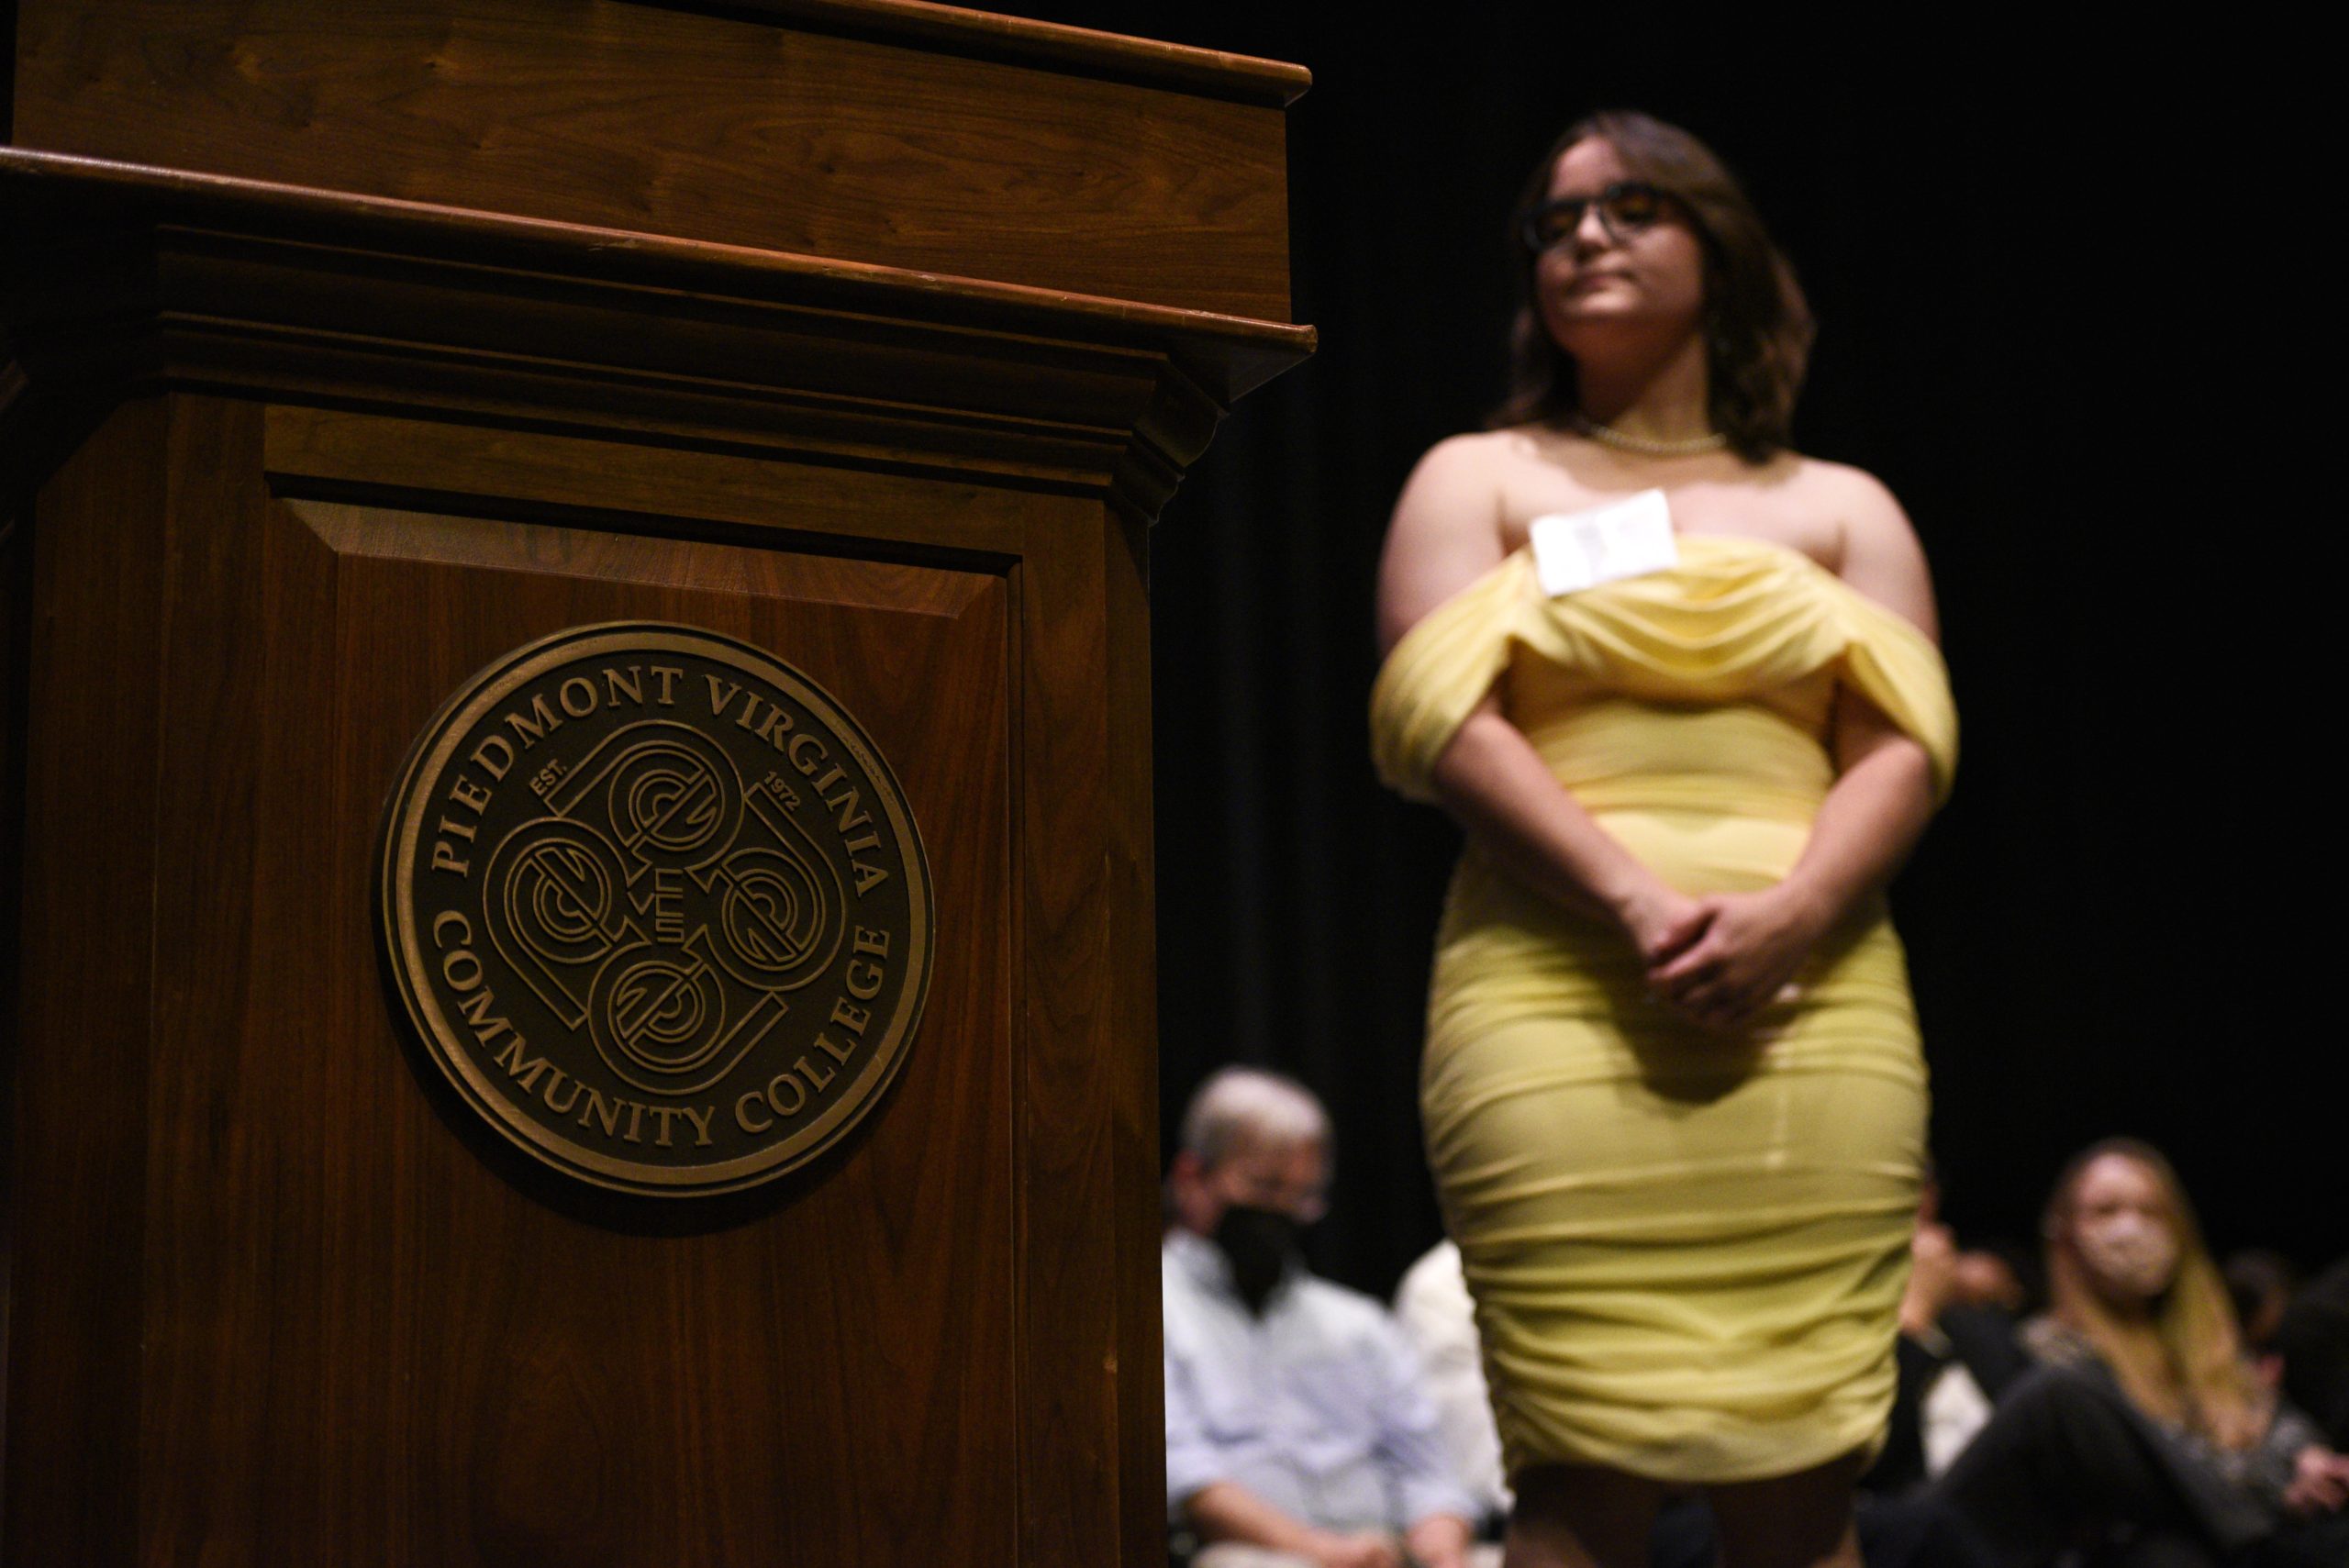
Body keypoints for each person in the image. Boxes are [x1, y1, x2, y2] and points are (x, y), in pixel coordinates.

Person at [1370, 110, 1957, 1568]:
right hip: (1556, 1000)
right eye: (1555, 221)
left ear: (1722, 248)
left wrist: (1796, 911)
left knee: (1804, 1474)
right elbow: (1442, 716)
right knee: (1577, 1473)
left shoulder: (1843, 505)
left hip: (1811, 1005)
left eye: (1631, 207)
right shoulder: (1477, 476)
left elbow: (1904, 741)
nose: (1584, 237)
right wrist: (1637, 900)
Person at [1936, 1140, 2349, 1567]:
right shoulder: (2046, 1352)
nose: (2130, 1228)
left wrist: (2307, 1460)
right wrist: (2274, 1486)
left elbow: (2273, 1420)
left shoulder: (2212, 1344)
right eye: (2105, 1212)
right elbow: (2150, 1467)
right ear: (2065, 1234)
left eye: (2151, 1212)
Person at [1163, 1067, 1489, 1568]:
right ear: (1192, 1177)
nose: (1284, 1212)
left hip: (1380, 1551)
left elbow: (1432, 1474)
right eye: (1266, 1187)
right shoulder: (1148, 1312)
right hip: (1250, 1554)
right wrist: (1325, 1553)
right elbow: (1186, 1475)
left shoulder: (1358, 1323)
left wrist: (1440, 1545)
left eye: (1303, 1195)